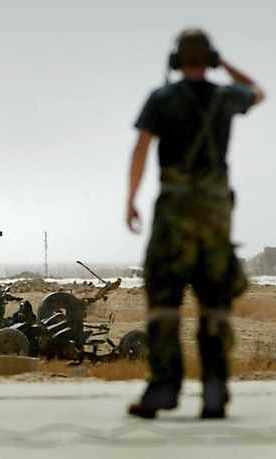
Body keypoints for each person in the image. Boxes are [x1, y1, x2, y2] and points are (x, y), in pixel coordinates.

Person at [125, 28, 265, 419]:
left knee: (165, 298)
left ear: (176, 60)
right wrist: (226, 65)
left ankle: (164, 388)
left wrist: (131, 200)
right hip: (215, 213)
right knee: (215, 298)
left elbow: (141, 147)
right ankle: (215, 391)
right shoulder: (225, 96)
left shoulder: (161, 98)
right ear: (210, 58)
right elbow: (258, 91)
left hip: (174, 210)